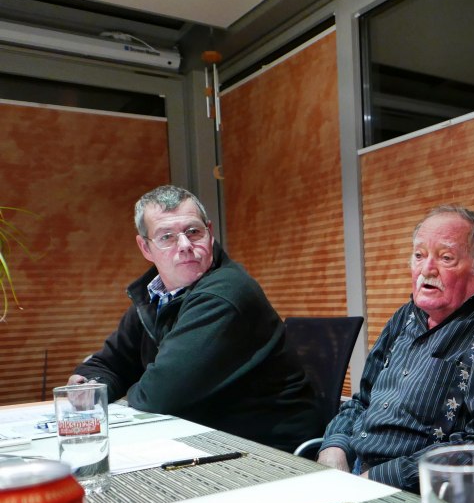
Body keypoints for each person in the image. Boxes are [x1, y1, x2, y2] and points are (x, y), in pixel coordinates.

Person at [69, 185, 322, 453]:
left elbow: (159, 397)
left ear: (210, 233)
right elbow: (107, 364)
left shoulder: (224, 293)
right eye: (167, 237)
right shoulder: (156, 295)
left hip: (264, 450)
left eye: (193, 232)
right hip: (206, 437)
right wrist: (93, 386)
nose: (185, 246)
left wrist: (129, 388)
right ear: (145, 247)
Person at [317, 205, 474, 491]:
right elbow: (363, 400)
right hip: (355, 475)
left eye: (446, 258)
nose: (426, 269)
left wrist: (378, 480)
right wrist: (334, 448)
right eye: (419, 255)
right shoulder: (406, 316)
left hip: (424, 495)